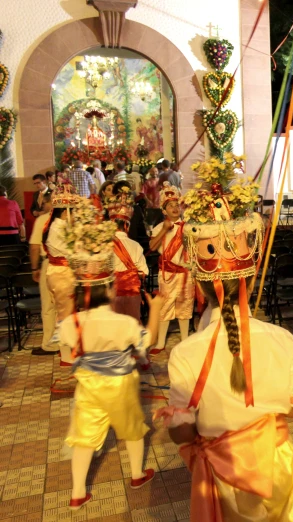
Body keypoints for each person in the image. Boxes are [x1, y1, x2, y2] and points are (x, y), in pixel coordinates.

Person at [162, 160, 293, 522]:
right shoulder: (283, 339)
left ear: (200, 286)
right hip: (277, 468)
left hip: (219, 474)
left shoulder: (183, 353)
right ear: (248, 280)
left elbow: (182, 434)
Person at [51, 201, 161, 510]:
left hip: (88, 386)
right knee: (133, 428)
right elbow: (147, 342)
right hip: (122, 383)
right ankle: (137, 473)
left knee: (84, 437)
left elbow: (68, 351)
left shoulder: (71, 324)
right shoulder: (123, 322)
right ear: (111, 289)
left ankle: (77, 493)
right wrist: (153, 311)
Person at [149, 183, 193, 354]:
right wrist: (165, 230)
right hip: (167, 273)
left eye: (177, 205)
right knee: (165, 307)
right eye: (170, 206)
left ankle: (184, 339)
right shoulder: (159, 227)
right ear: (164, 210)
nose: (175, 208)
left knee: (185, 305)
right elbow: (152, 246)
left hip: (185, 273)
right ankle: (160, 342)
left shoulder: (188, 227)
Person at [44, 185, 81, 364]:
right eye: (73, 212)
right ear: (65, 213)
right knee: (64, 314)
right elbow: (72, 252)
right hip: (61, 273)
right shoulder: (58, 229)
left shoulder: (61, 227)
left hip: (65, 273)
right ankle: (65, 355)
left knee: (69, 312)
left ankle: (70, 349)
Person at [107, 187, 148, 322]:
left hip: (112, 291)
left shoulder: (105, 245)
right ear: (127, 226)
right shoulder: (135, 245)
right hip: (132, 292)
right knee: (133, 323)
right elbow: (143, 271)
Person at [29, 191, 56, 355]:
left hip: (50, 263)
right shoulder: (73, 219)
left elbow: (33, 246)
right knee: (67, 306)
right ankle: (69, 344)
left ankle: (51, 344)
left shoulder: (42, 220)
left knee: (48, 306)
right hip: (71, 266)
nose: (43, 206)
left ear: (50, 203)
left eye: (44, 203)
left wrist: (34, 268)